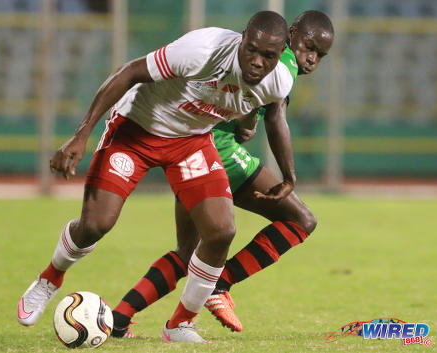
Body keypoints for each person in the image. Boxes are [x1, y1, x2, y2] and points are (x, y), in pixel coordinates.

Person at [17, 11, 295, 343]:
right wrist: (81, 134)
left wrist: (287, 174)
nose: (257, 62)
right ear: (242, 38)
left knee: (221, 231)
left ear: (280, 55)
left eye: (269, 56)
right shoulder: (202, 50)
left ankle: (179, 325)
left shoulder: (279, 80)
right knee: (96, 224)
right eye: (252, 49)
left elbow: (274, 115)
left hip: (191, 142)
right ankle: (50, 278)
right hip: (137, 130)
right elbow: (130, 72)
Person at [110, 10, 334, 337]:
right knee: (301, 220)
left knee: (188, 252)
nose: (311, 58)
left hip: (189, 145)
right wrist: (289, 176)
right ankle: (218, 285)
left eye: (320, 55)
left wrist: (246, 120)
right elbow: (277, 117)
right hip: (215, 149)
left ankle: (118, 319)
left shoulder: (263, 56)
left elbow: (246, 102)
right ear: (293, 32)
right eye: (309, 47)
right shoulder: (281, 60)